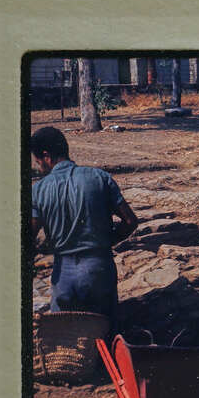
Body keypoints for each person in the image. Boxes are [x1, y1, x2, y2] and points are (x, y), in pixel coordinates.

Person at [30, 126, 138, 326]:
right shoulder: (100, 178)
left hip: (64, 274)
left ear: (46, 156)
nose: (39, 167)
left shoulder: (38, 190)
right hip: (99, 268)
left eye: (37, 162)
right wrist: (105, 241)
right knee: (105, 330)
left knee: (66, 340)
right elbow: (130, 221)